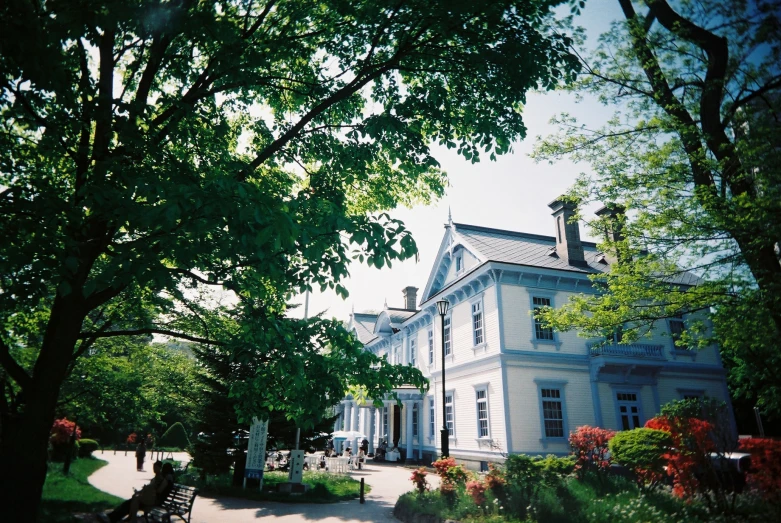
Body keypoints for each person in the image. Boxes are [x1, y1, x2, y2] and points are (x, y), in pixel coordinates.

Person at [99, 461, 172, 523]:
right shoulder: (158, 478)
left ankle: (118, 518)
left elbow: (158, 491)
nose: (155, 469)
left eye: (156, 467)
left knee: (133, 501)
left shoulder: (164, 480)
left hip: (152, 500)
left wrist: (149, 488)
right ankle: (114, 516)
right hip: (148, 497)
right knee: (129, 502)